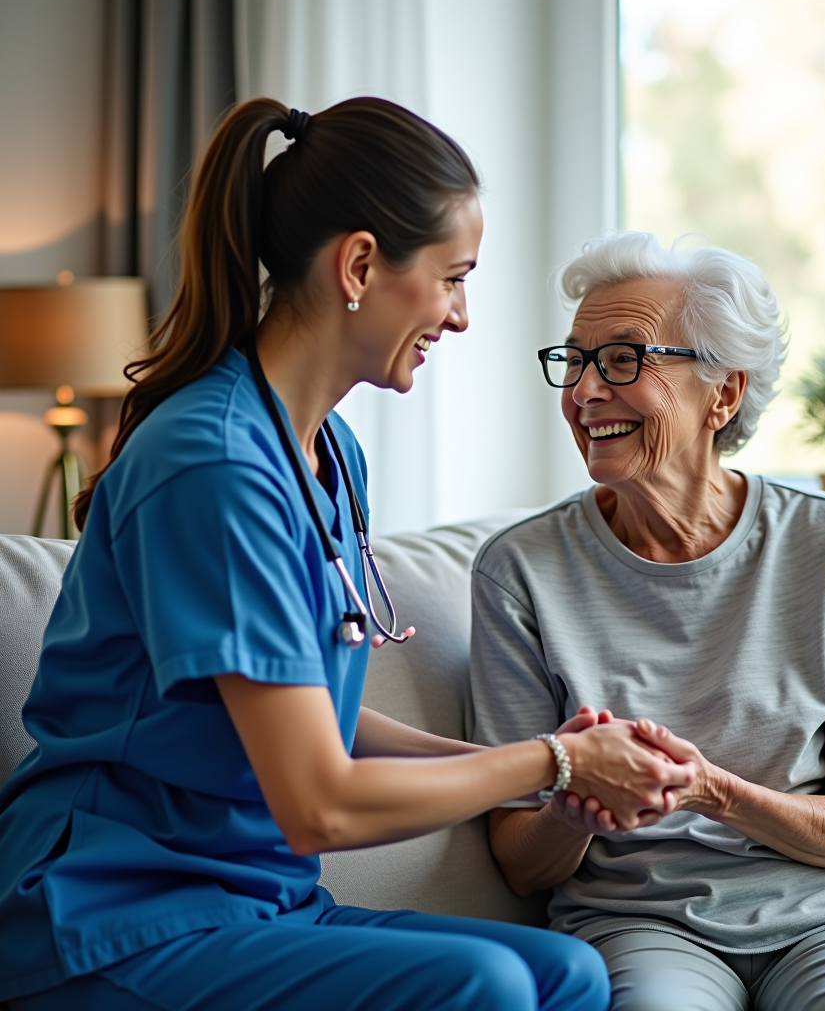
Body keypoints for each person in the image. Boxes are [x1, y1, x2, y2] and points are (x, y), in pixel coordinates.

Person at [0, 100, 698, 1011]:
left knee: (565, 972)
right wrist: (553, 767)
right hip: (112, 912)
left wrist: (547, 758)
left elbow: (316, 716)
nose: (460, 316)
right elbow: (317, 802)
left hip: (254, 900)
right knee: (485, 983)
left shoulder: (329, 454)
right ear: (361, 265)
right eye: (453, 278)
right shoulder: (211, 465)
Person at [469, 232, 825, 1011]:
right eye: (575, 361)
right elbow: (522, 863)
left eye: (623, 360)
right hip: (638, 923)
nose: (585, 392)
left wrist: (711, 791)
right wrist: (574, 798)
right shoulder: (520, 571)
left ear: (722, 394)